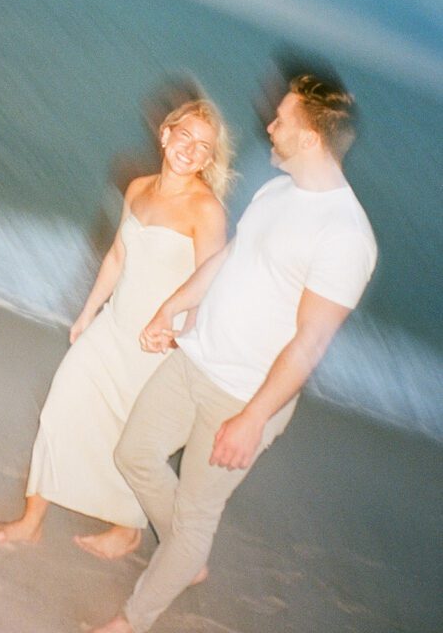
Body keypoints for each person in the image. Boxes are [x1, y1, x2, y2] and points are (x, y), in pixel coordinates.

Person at [93, 73, 377, 633]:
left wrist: (253, 418)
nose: (269, 126)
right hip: (194, 359)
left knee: (196, 516)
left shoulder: (346, 236)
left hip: (244, 395)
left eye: (283, 121)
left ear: (312, 138)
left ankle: (133, 619)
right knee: (134, 453)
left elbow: (310, 342)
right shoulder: (276, 192)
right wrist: (170, 308)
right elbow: (225, 263)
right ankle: (186, 555)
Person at [0, 98, 234, 560]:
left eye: (204, 148)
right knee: (60, 409)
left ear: (209, 159)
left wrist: (182, 339)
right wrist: (86, 313)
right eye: (185, 137)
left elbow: (210, 285)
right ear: (165, 134)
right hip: (113, 328)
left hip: (158, 346)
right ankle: (31, 522)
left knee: (130, 440)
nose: (191, 151)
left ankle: (127, 528)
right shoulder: (139, 188)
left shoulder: (206, 210)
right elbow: (118, 256)